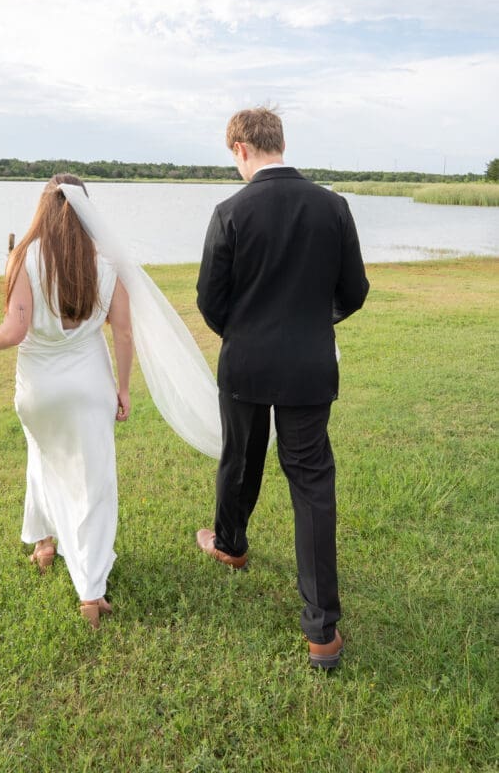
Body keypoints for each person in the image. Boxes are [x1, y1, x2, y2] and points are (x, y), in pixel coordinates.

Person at [195, 108, 369, 669]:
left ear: (241, 148)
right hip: (309, 366)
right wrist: (311, 328)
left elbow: (209, 299)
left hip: (245, 363)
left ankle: (231, 546)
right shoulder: (333, 206)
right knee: (312, 484)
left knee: (240, 459)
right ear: (281, 143)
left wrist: (243, 335)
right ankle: (322, 630)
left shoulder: (229, 211)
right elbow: (355, 290)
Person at [0, 173, 133, 629]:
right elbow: (124, 330)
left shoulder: (26, 256)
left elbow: (14, 330)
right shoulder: (107, 258)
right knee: (95, 483)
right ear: (84, 208)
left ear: (43, 208)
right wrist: (125, 387)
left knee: (41, 458)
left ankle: (43, 544)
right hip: (91, 386)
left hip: (40, 390)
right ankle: (91, 592)